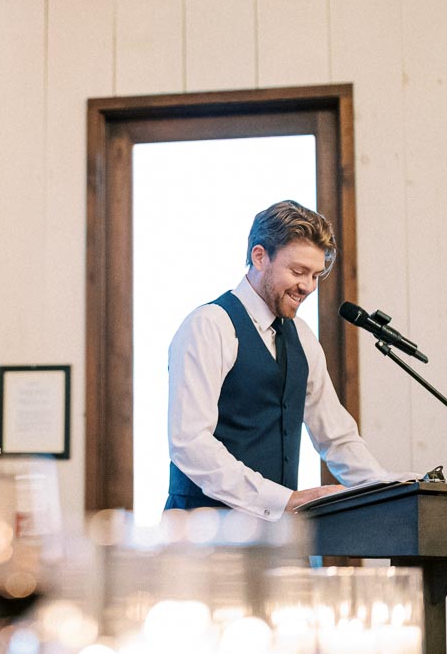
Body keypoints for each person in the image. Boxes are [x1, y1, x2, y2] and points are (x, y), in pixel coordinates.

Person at [165, 200, 416, 518]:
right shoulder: (209, 325)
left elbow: (335, 437)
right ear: (259, 257)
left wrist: (387, 487)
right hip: (204, 535)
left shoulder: (303, 337)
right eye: (298, 272)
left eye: (316, 275)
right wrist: (282, 500)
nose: (308, 287)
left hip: (276, 538)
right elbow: (190, 442)